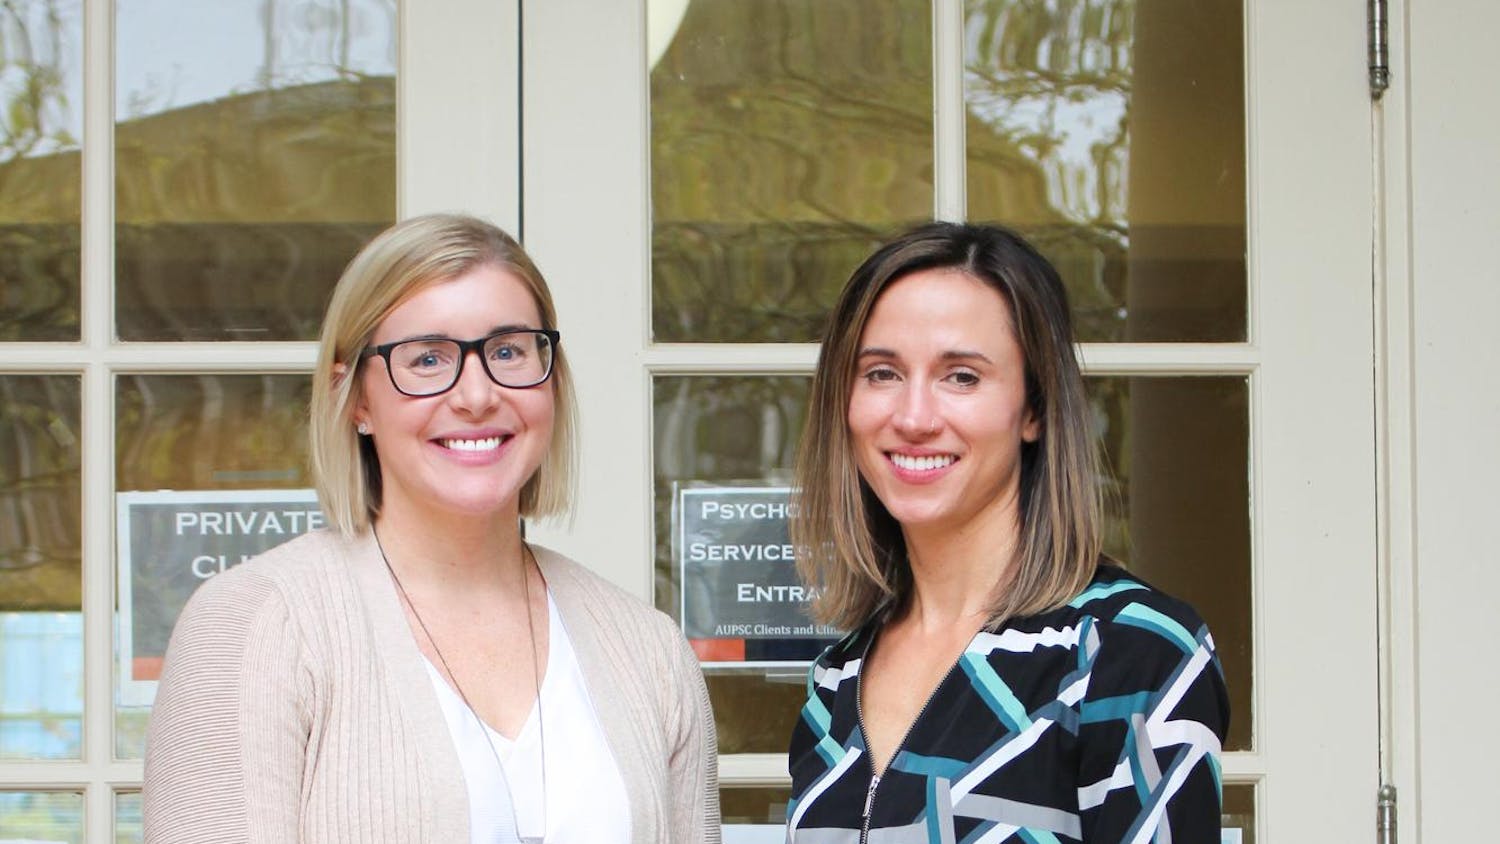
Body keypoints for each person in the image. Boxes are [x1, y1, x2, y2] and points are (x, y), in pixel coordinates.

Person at [143, 214, 720, 843]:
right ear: (355, 398)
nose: (476, 394)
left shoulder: (649, 652)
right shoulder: (255, 624)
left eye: (507, 351)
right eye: (426, 359)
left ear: (550, 378)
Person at [785, 222, 1228, 842]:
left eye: (961, 376)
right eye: (881, 373)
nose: (913, 417)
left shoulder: (1127, 652)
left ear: (1034, 409)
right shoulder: (837, 677)